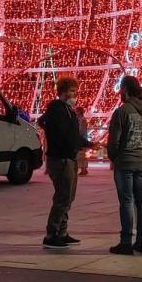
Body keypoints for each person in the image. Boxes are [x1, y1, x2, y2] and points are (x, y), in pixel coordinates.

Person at [107, 76, 142, 255]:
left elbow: (114, 141)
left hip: (125, 162)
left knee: (126, 201)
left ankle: (126, 242)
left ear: (125, 89)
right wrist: (141, 151)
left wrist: (115, 157)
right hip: (141, 161)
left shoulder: (122, 112)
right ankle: (141, 241)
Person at [38, 76, 87, 250]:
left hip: (70, 157)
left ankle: (62, 232)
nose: (75, 95)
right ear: (63, 92)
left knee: (69, 197)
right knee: (62, 196)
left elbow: (71, 134)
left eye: (75, 91)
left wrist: (84, 144)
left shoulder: (69, 110)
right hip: (61, 159)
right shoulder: (57, 108)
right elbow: (52, 127)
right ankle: (51, 234)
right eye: (72, 91)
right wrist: (56, 139)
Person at [75, 105, 89, 176]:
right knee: (81, 154)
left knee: (81, 154)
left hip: (82, 139)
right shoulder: (80, 119)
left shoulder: (82, 119)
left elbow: (81, 130)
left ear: (79, 112)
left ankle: (83, 169)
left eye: (76, 111)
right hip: (82, 138)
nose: (75, 112)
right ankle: (84, 169)